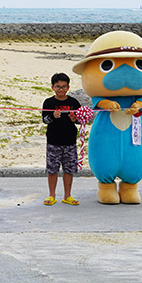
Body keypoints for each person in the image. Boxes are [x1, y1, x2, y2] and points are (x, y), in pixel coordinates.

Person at [41, 73, 82, 206]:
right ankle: (51, 195)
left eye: (64, 87)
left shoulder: (73, 102)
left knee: (69, 169)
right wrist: (53, 116)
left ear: (68, 87)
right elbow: (44, 120)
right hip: (53, 142)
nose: (61, 89)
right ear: (52, 87)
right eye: (58, 87)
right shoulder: (48, 102)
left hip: (70, 142)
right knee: (52, 169)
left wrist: (75, 119)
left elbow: (81, 120)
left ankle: (67, 195)